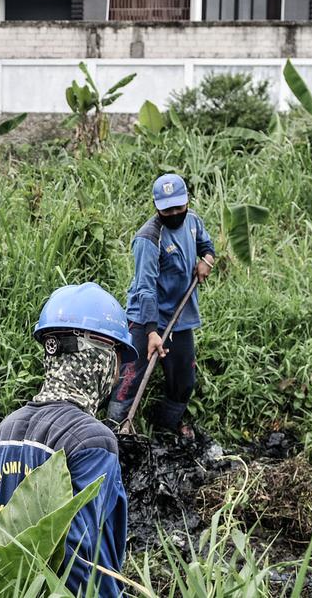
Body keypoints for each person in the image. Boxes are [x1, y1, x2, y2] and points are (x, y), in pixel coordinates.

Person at [0, 282, 133, 598]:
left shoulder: (6, 430)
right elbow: (83, 559)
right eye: (117, 359)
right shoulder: (93, 440)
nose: (116, 374)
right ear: (100, 359)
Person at [108, 172, 215, 439]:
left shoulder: (192, 222)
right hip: (146, 319)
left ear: (187, 201)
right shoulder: (149, 238)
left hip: (180, 317)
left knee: (183, 380)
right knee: (129, 380)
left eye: (179, 206)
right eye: (168, 209)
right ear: (157, 207)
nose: (175, 212)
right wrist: (152, 332)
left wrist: (207, 260)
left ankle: (166, 429)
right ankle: (114, 433)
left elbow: (206, 244)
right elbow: (145, 289)